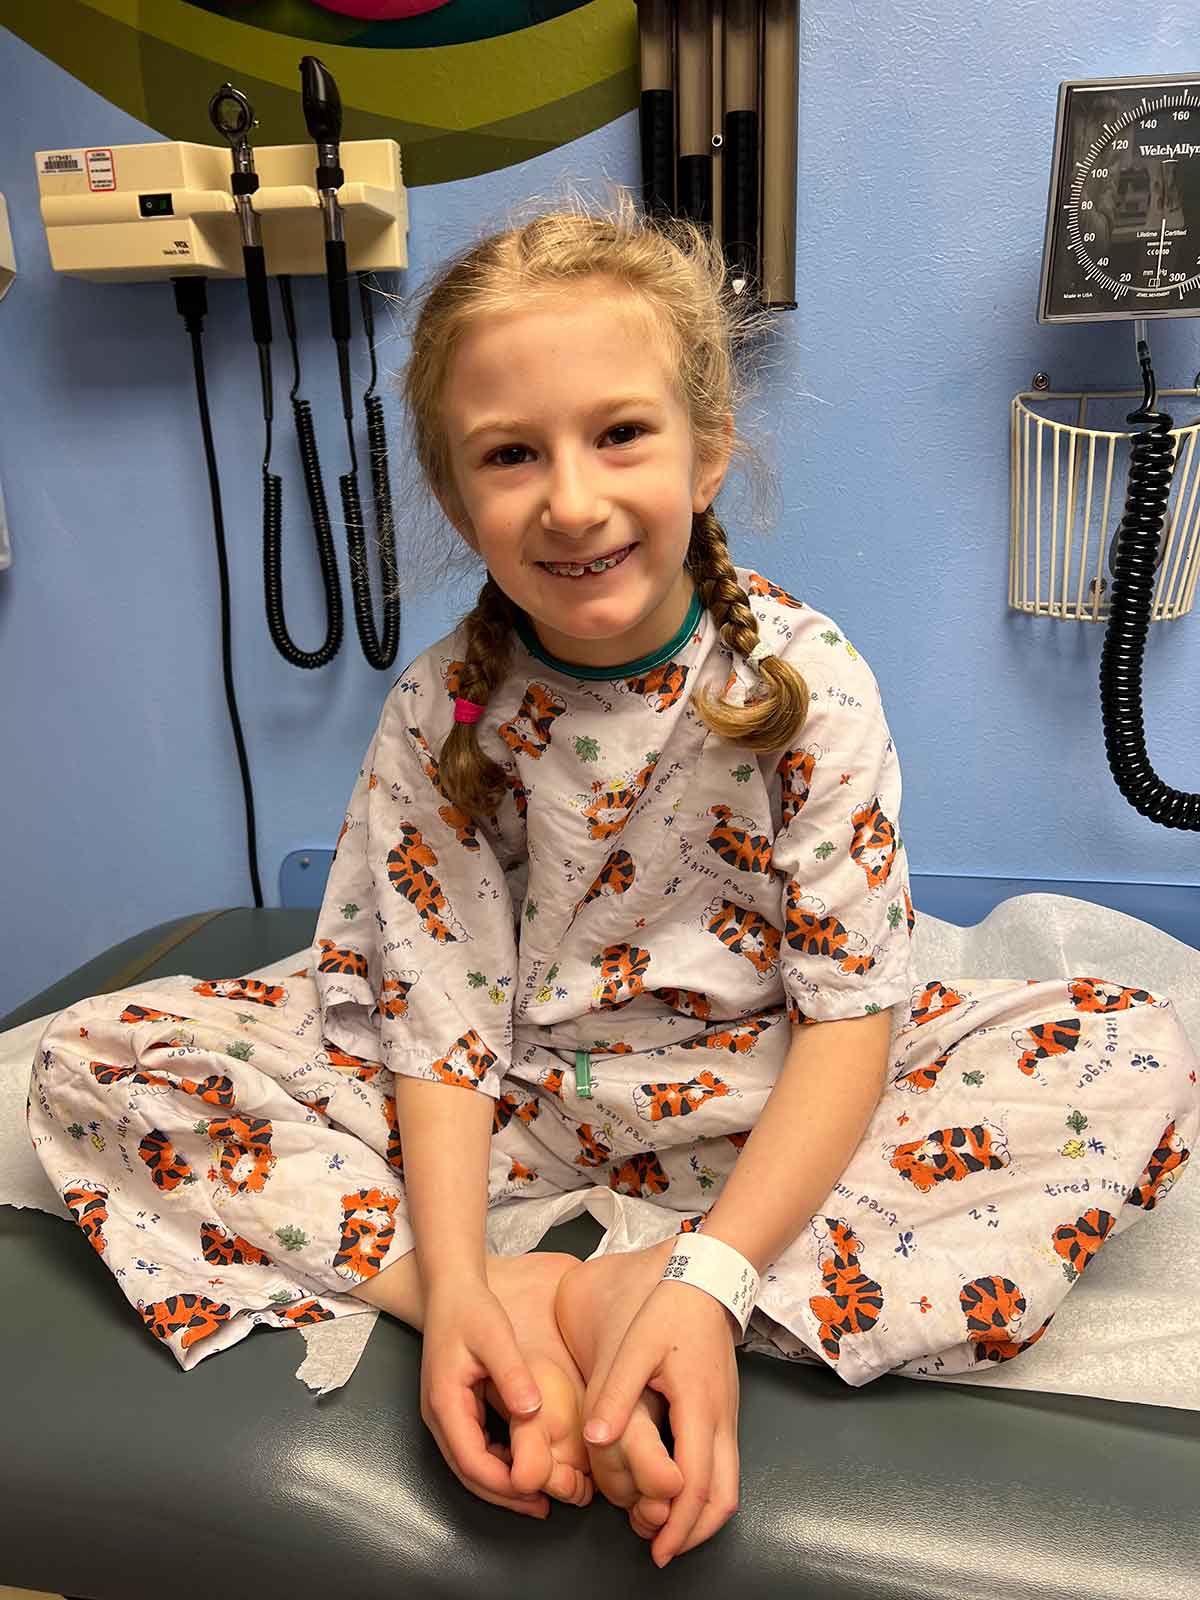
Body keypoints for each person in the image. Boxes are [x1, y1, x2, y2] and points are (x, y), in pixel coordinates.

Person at [27, 191, 1199, 1571]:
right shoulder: (444, 712)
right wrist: (454, 1289)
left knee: (1131, 1053)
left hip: (764, 1106)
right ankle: (535, 1298)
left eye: (621, 434)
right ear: (458, 500)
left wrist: (708, 1278)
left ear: (709, 452)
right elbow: (441, 1024)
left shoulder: (803, 685)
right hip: (523, 1103)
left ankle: (673, 1293)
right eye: (510, 455)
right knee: (100, 1061)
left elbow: (849, 1016)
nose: (572, 499)